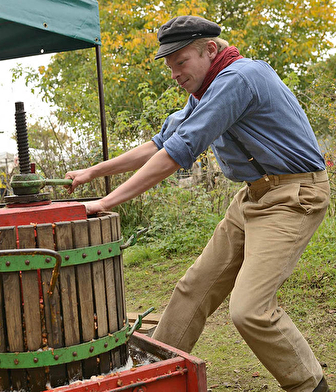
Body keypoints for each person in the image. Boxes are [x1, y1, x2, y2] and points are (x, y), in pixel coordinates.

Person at [65, 16, 330, 392]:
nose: (174, 72)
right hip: (254, 196)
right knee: (194, 288)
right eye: (169, 65)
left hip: (293, 196)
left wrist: (106, 202)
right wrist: (91, 173)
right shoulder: (205, 92)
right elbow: (159, 143)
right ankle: (154, 377)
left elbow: (176, 154)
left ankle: (310, 385)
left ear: (209, 50)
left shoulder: (238, 79)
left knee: (249, 310)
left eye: (180, 61)